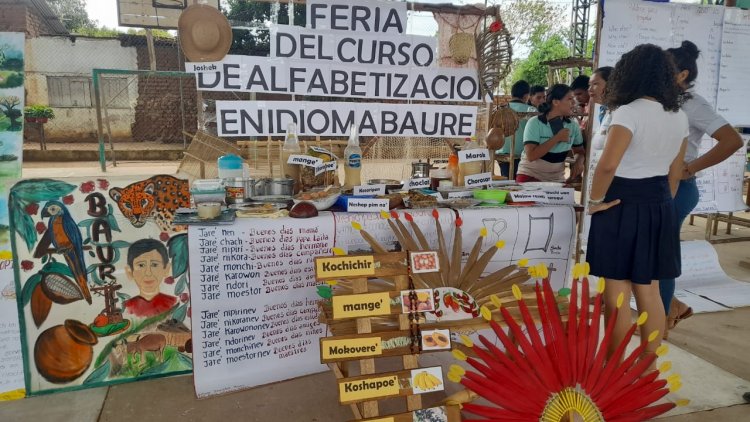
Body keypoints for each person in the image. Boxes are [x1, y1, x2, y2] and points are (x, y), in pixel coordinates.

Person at [587, 44, 688, 363]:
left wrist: (594, 200)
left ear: (628, 74)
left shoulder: (628, 112)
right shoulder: (678, 115)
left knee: (616, 292)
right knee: (650, 290)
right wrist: (661, 207)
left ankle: (613, 368)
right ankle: (647, 370)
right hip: (659, 201)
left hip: (620, 201)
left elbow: (607, 165)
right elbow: (675, 172)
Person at [660, 41, 745, 333]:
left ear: (682, 75)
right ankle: (673, 307)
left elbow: (733, 140)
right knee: (655, 251)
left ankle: (662, 321)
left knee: (661, 254)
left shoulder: (693, 104)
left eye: (664, 69)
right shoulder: (660, 101)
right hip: (657, 186)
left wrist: (690, 168)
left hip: (678, 189)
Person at [516, 84, 585, 183]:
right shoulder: (535, 123)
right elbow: (531, 156)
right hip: (530, 175)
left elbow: (579, 151)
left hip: (556, 179)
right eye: (570, 99)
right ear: (556, 102)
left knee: (569, 198)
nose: (574, 103)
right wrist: (557, 138)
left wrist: (579, 160)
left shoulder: (573, 126)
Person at [123, 238, 177, 318]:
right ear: (130, 272)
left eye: (154, 265)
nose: (148, 273)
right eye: (141, 265)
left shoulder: (174, 304)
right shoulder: (125, 308)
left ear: (166, 269)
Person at [498, 80, 537, 179]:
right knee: (518, 183)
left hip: (501, 152)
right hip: (522, 154)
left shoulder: (500, 109)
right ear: (526, 96)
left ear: (512, 94)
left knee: (506, 178)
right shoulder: (531, 110)